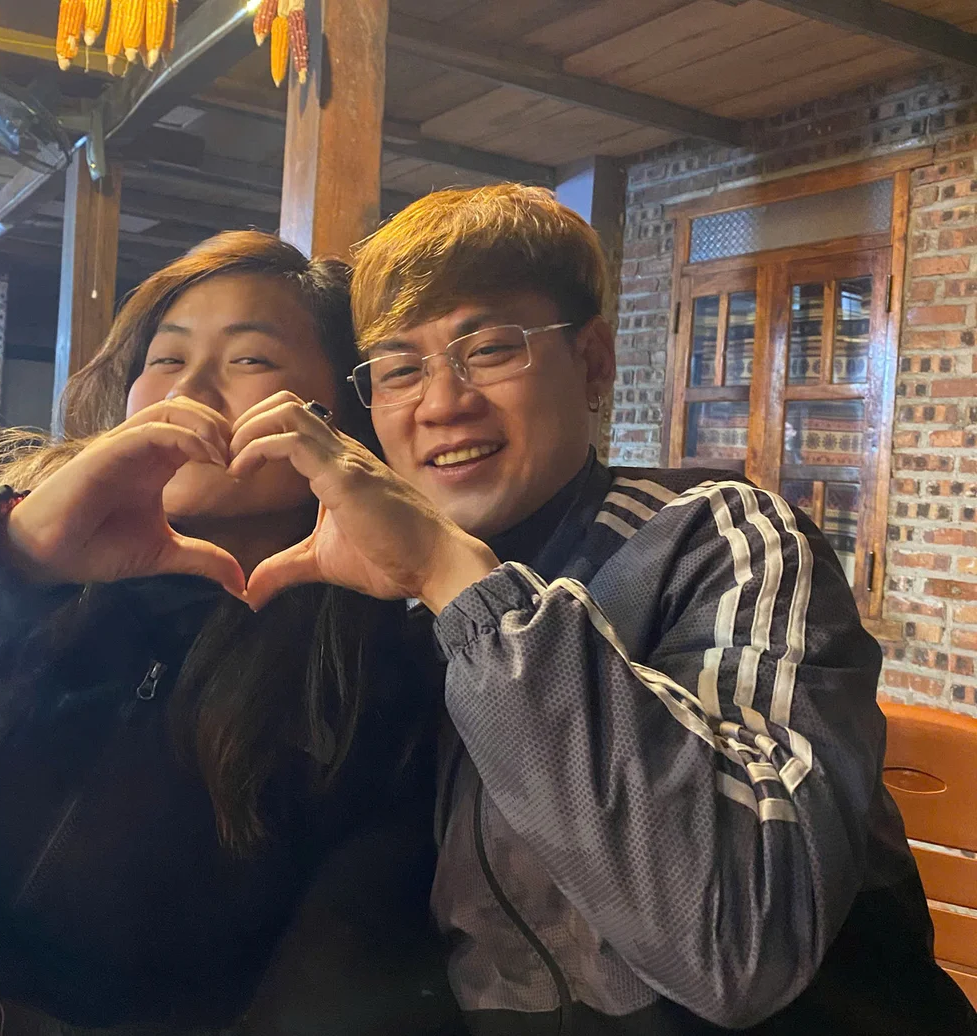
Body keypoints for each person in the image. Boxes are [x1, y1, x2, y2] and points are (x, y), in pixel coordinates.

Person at [217, 186, 977, 1035]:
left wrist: (451, 576)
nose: (440, 402)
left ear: (594, 362)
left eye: (491, 349)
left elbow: (739, 940)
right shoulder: (376, 595)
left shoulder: (713, 539)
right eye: (399, 369)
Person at [0, 233, 456, 1036]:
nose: (193, 392)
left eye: (250, 362)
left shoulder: (367, 663)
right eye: (165, 361)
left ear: (342, 414)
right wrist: (12, 552)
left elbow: (339, 972)